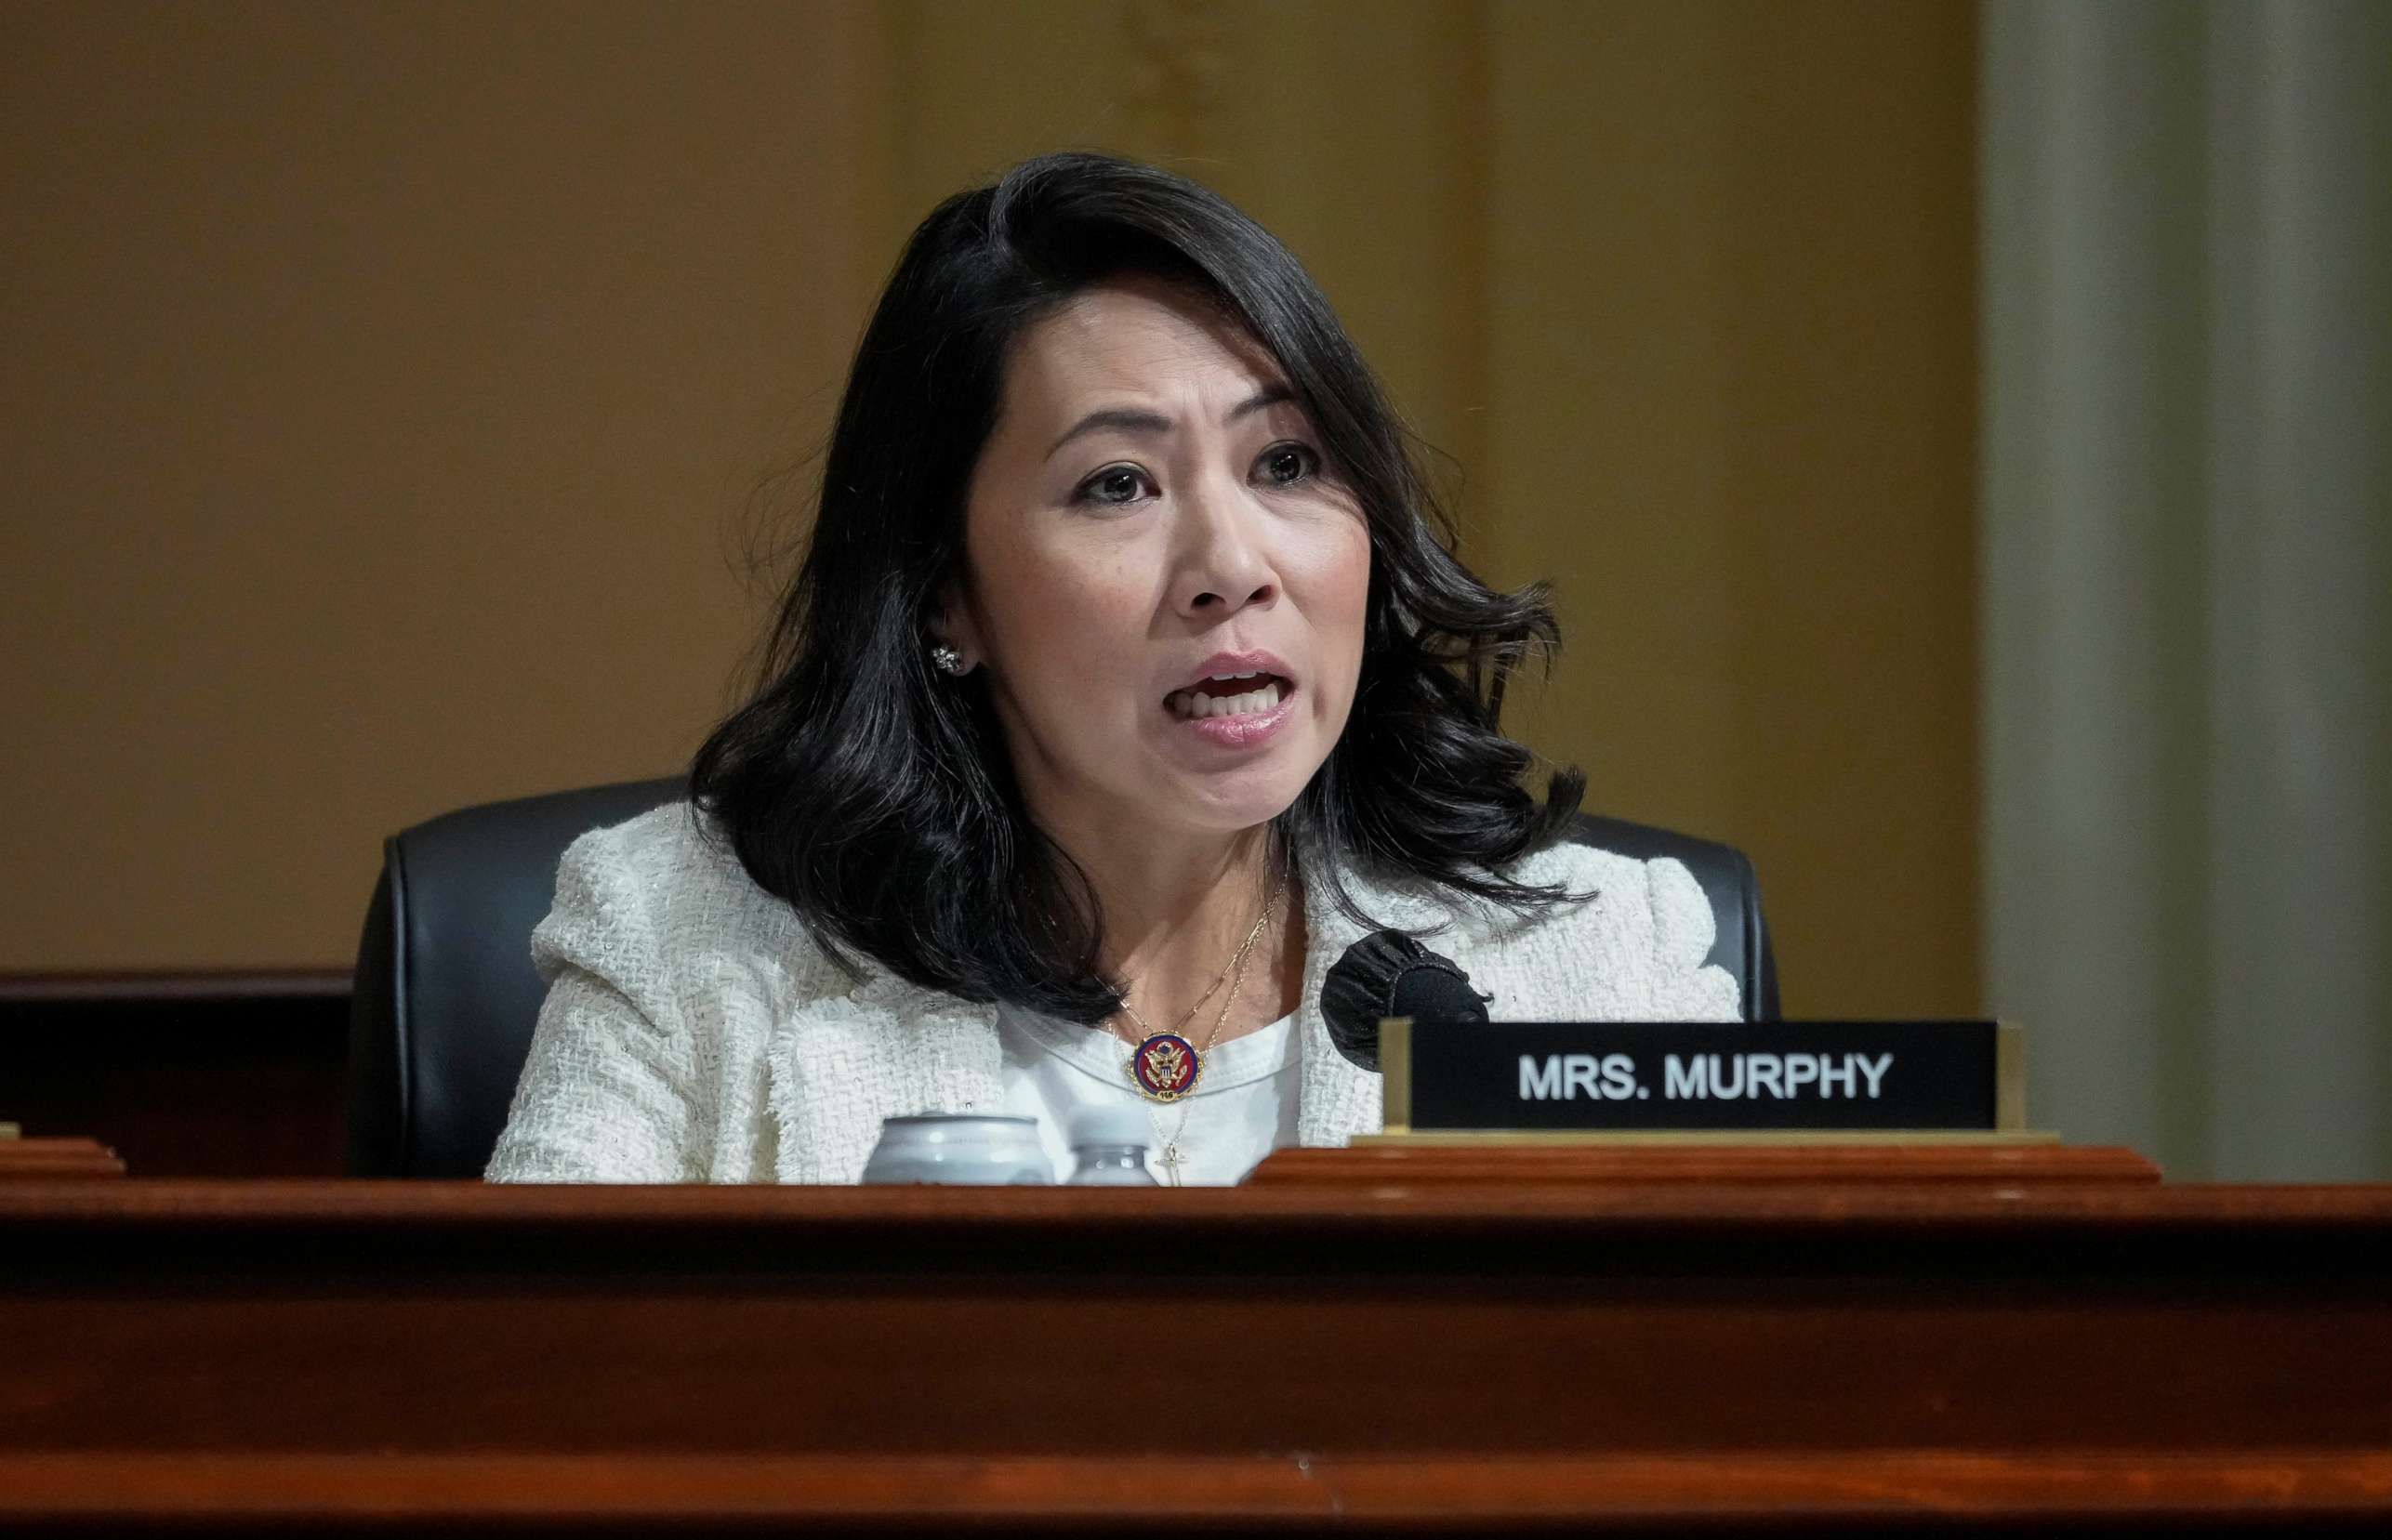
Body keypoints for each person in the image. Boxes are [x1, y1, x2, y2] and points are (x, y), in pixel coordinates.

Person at [485, 152, 1738, 1187]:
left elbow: (1727, 1429)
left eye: (1287, 465)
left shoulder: (1600, 964)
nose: (1230, 563)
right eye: (1117, 485)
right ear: (946, 591)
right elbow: (528, 1413)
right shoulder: (682, 947)